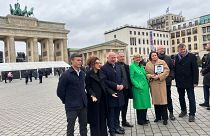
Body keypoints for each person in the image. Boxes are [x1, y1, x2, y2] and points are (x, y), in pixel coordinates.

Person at [57, 53, 87, 136]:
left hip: (83, 105)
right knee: (71, 128)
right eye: (78, 60)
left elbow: (84, 88)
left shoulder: (82, 73)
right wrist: (67, 100)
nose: (80, 62)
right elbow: (59, 92)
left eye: (81, 60)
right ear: (72, 61)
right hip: (71, 107)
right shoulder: (66, 75)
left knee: (84, 126)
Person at [85, 56, 117, 136]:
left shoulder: (101, 72)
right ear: (92, 64)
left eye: (100, 63)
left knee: (103, 119)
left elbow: (105, 86)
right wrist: (92, 95)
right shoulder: (88, 74)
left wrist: (111, 92)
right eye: (97, 63)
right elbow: (87, 87)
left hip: (103, 100)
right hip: (94, 101)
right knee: (95, 120)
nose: (99, 64)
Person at [101, 52, 125, 136]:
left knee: (117, 113)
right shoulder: (104, 68)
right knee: (111, 114)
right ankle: (112, 130)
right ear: (107, 58)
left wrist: (122, 85)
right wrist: (116, 86)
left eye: (115, 57)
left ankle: (117, 126)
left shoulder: (118, 66)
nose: (113, 59)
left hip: (119, 93)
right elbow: (105, 81)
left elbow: (122, 77)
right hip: (111, 94)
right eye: (112, 57)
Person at [174, 43, 199, 122]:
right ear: (178, 50)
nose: (182, 51)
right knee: (181, 97)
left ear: (186, 49)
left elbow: (195, 70)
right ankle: (183, 111)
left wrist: (195, 81)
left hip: (189, 81)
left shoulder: (192, 56)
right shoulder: (176, 57)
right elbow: (175, 69)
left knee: (191, 98)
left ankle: (192, 114)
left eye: (184, 49)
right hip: (180, 81)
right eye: (181, 50)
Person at [145, 51, 169, 125]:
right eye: (153, 55)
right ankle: (158, 117)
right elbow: (145, 73)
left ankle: (165, 118)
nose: (154, 56)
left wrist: (159, 76)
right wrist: (150, 76)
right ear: (150, 57)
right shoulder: (148, 64)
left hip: (161, 83)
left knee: (163, 101)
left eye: (155, 55)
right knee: (156, 102)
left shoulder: (162, 62)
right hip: (153, 84)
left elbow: (167, 70)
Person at [130, 54, 151, 125]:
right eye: (136, 57)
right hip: (138, 88)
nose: (138, 59)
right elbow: (131, 78)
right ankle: (140, 120)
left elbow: (145, 75)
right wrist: (138, 85)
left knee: (145, 104)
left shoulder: (141, 66)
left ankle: (144, 118)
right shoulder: (132, 66)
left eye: (139, 57)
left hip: (145, 88)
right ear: (133, 58)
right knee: (139, 104)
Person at [157, 45, 176, 120]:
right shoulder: (155, 58)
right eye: (160, 49)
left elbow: (172, 69)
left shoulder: (168, 58)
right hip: (158, 82)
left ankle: (171, 113)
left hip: (167, 82)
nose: (162, 50)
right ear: (157, 50)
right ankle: (161, 114)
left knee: (168, 97)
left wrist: (171, 77)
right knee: (159, 98)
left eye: (163, 49)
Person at [116, 52, 133, 128]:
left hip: (126, 89)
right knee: (118, 107)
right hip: (119, 90)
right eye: (120, 56)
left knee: (125, 106)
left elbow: (129, 78)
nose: (122, 58)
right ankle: (116, 123)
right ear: (117, 57)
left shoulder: (127, 66)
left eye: (123, 56)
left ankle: (124, 121)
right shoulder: (115, 66)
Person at [200, 42, 210, 110]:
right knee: (205, 88)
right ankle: (206, 102)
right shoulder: (208, 54)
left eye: (207, 46)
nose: (206, 47)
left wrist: (203, 70)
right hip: (207, 75)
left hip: (208, 74)